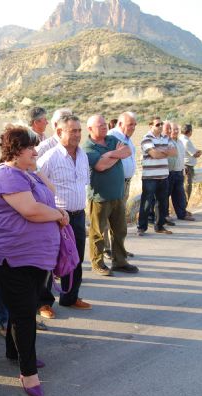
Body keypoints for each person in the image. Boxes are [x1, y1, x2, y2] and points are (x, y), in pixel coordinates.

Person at [0, 125, 67, 396]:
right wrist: (57, 214)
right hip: (13, 258)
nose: (36, 151)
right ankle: (28, 372)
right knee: (23, 314)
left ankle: (14, 351)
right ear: (15, 150)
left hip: (34, 257)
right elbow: (31, 211)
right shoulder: (7, 175)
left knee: (25, 308)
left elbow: (52, 189)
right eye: (30, 148)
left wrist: (33, 166)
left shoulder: (26, 174)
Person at [37, 115, 92, 309]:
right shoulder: (51, 157)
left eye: (79, 130)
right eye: (73, 131)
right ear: (59, 132)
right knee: (50, 259)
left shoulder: (83, 155)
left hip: (78, 215)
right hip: (57, 217)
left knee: (76, 258)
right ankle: (44, 303)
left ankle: (70, 298)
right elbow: (35, 180)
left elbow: (83, 182)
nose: (77, 134)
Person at [84, 115, 138, 277]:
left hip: (118, 195)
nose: (104, 127)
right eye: (99, 125)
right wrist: (117, 154)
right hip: (100, 197)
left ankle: (120, 262)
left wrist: (110, 155)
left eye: (104, 124)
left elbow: (127, 151)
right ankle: (97, 263)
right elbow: (100, 166)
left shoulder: (112, 139)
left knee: (120, 230)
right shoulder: (88, 148)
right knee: (98, 233)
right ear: (90, 129)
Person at [104, 112, 137, 260]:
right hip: (114, 183)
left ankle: (119, 249)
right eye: (130, 124)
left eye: (135, 124)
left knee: (119, 219)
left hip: (125, 182)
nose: (133, 127)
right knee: (108, 217)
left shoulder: (127, 139)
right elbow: (108, 158)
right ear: (120, 124)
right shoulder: (112, 137)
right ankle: (107, 249)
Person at [137, 117, 177, 236]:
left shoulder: (166, 138)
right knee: (146, 203)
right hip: (150, 177)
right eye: (157, 124)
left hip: (163, 176)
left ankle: (159, 226)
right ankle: (141, 227)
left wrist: (160, 151)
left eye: (161, 124)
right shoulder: (146, 139)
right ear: (150, 126)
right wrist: (165, 151)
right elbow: (154, 154)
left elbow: (174, 152)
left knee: (162, 203)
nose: (160, 126)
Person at [167, 123, 195, 221]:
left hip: (179, 171)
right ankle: (165, 215)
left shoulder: (180, 142)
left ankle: (182, 214)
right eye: (173, 129)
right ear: (169, 130)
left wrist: (183, 169)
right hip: (169, 172)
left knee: (180, 194)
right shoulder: (166, 142)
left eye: (176, 130)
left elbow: (182, 157)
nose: (175, 131)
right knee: (166, 195)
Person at [181, 123, 202, 212]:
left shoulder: (180, 139)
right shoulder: (186, 141)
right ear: (189, 132)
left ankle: (182, 209)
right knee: (187, 189)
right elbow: (194, 154)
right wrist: (200, 152)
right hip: (187, 167)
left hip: (183, 166)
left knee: (182, 188)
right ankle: (183, 209)